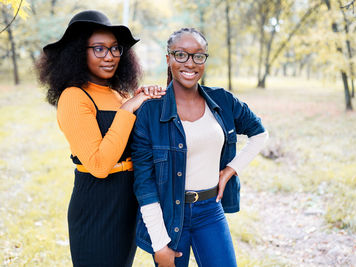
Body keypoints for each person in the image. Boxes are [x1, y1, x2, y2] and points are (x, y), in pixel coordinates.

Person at [36, 10, 165, 266]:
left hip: (127, 200)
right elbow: (98, 165)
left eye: (115, 49)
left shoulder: (119, 93)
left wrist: (143, 99)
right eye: (99, 49)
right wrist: (128, 109)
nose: (110, 57)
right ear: (78, 52)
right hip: (97, 204)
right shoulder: (74, 97)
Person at [131, 28, 268, 267]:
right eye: (181, 55)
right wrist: (160, 244)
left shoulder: (223, 101)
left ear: (205, 60)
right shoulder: (150, 111)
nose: (190, 63)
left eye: (198, 56)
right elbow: (144, 182)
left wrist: (230, 170)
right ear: (168, 59)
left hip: (210, 211)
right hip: (169, 215)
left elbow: (260, 134)